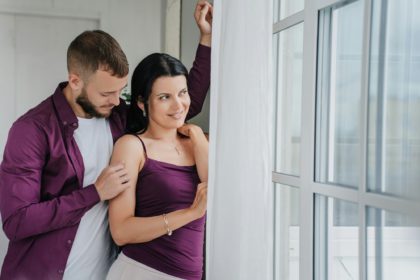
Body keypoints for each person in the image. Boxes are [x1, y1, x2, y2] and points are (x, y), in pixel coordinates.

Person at [0, 1, 212, 279]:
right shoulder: (31, 130)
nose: (116, 100)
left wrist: (206, 38)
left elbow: (178, 108)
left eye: (121, 91)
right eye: (106, 93)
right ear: (75, 81)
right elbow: (17, 222)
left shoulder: (117, 116)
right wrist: (95, 193)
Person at [106, 52, 210, 280]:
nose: (178, 105)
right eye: (164, 97)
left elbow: (217, 191)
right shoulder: (131, 147)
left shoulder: (198, 142)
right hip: (142, 272)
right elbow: (120, 231)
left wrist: (195, 133)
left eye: (183, 93)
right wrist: (191, 213)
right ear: (142, 103)